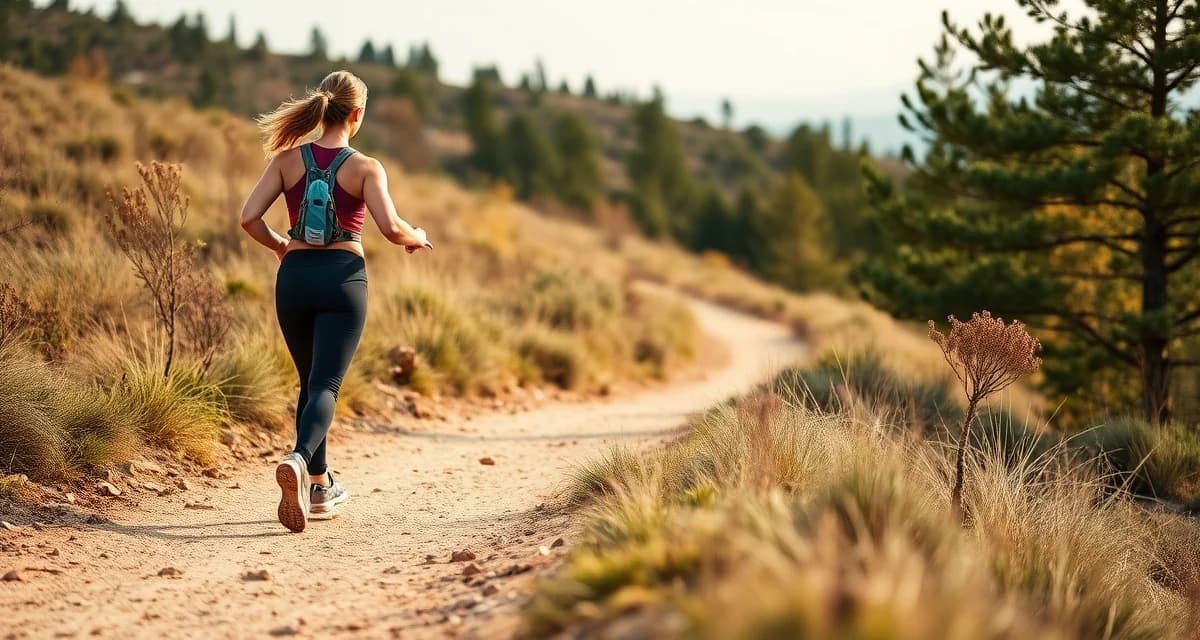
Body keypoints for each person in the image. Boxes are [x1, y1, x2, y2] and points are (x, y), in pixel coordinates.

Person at [238, 70, 431, 533]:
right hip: (343, 279)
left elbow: (248, 217)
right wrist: (417, 237)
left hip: (295, 279)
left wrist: (281, 246)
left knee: (309, 382)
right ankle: (301, 460)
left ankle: (320, 486)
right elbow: (389, 227)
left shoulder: (288, 160)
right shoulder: (366, 167)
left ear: (323, 108)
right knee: (325, 385)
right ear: (358, 114)